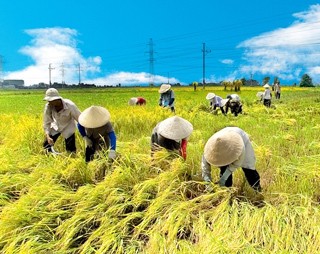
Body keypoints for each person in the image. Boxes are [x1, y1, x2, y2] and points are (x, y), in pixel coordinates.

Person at [201, 127, 262, 192]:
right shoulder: (209, 149)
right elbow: (205, 167)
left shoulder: (239, 146)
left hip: (238, 139)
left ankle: (257, 188)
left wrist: (224, 178)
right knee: (224, 168)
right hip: (224, 137)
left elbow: (236, 164)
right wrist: (207, 180)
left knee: (248, 168)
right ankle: (227, 191)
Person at [43, 88, 81, 153]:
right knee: (46, 147)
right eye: (48, 100)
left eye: (50, 100)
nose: (49, 102)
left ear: (57, 99)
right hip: (56, 126)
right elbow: (47, 122)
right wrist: (48, 136)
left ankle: (71, 159)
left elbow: (79, 118)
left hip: (68, 127)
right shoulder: (48, 106)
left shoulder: (70, 105)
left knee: (70, 150)